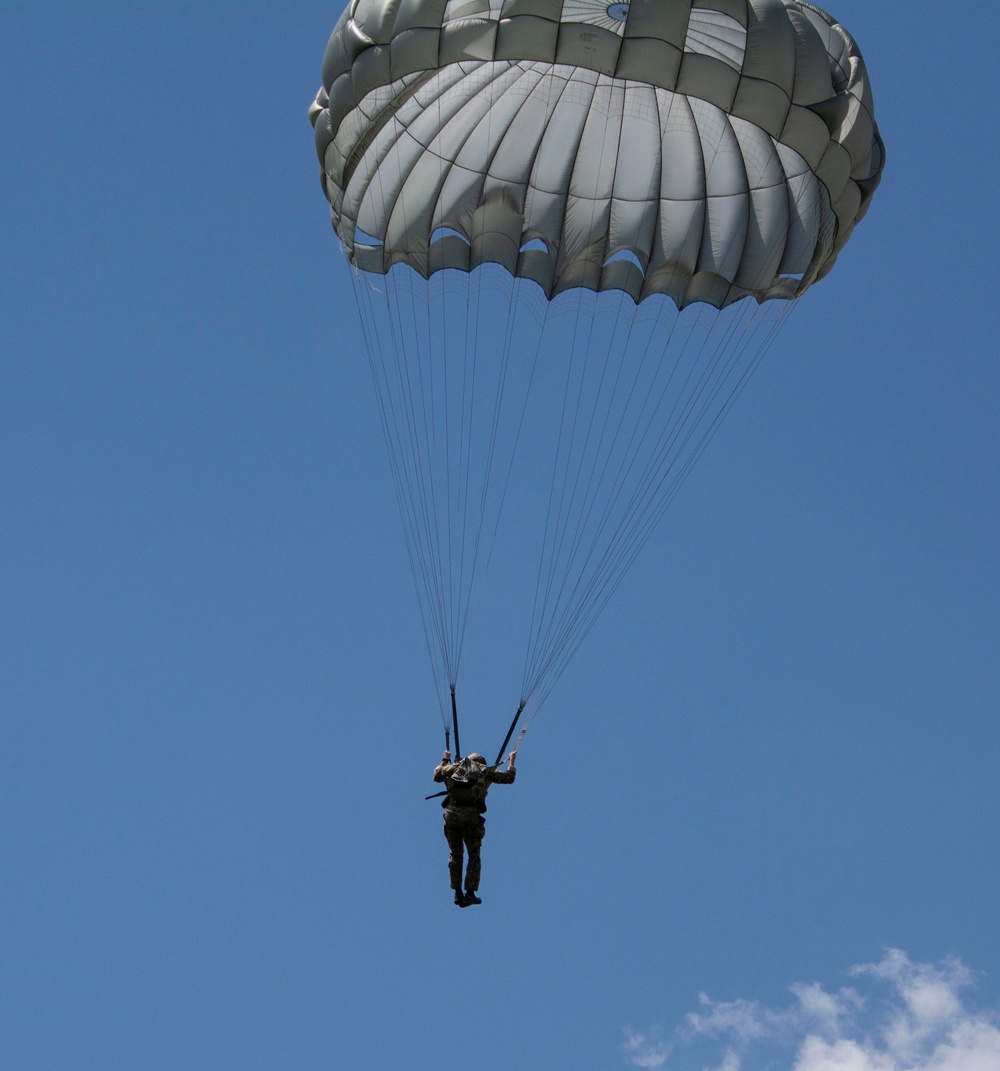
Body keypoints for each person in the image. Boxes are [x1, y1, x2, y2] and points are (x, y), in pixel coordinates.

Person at [432, 748, 517, 907]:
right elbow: (509, 778)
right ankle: (470, 893)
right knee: (473, 854)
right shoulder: (486, 772)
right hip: (470, 816)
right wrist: (511, 761)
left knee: (456, 854)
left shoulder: (456, 768)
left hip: (451, 815)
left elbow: (436, 775)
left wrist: (445, 759)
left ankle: (457, 893)